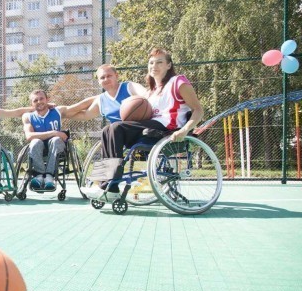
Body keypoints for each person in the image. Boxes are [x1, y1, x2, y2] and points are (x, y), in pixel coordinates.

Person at [85, 48, 205, 201]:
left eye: (159, 62)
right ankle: (104, 183)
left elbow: (198, 110)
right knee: (107, 130)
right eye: (151, 62)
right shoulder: (151, 92)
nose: (154, 65)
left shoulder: (178, 81)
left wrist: (185, 130)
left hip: (168, 129)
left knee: (115, 128)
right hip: (151, 128)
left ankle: (110, 185)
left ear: (169, 65)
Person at [23, 90, 94, 190]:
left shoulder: (58, 111)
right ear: (31, 103)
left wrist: (101, 97)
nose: (39, 102)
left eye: (41, 98)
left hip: (57, 147)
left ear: (47, 99)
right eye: (35, 100)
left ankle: (49, 176)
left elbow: (79, 106)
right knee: (35, 142)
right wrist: (54, 132)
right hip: (39, 149)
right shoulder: (28, 117)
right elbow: (29, 136)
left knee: (55, 140)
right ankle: (39, 175)